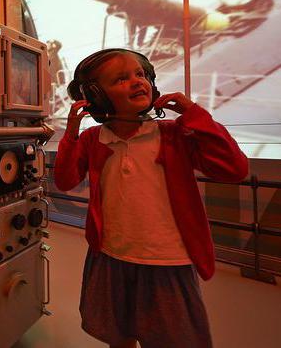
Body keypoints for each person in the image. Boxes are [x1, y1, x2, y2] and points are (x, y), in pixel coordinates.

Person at [56, 48, 248, 348]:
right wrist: (71, 134)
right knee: (118, 336)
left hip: (167, 262)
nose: (137, 81)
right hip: (110, 257)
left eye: (141, 74)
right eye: (121, 78)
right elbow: (65, 180)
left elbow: (234, 168)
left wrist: (195, 114)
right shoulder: (93, 140)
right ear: (96, 96)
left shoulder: (174, 134)